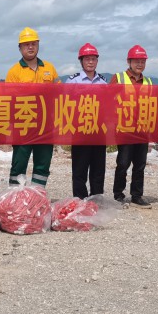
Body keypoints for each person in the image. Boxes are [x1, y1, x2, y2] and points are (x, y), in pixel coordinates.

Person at [5, 27, 60, 187]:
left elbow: (59, 93)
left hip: (46, 124)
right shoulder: (14, 72)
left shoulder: (49, 68)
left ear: (38, 45)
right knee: (19, 162)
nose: (30, 47)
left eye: (33, 44)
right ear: (20, 48)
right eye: (26, 44)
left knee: (43, 162)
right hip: (23, 124)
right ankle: (15, 196)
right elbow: (9, 100)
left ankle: (38, 194)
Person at [110, 45, 154, 208]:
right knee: (123, 163)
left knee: (140, 165)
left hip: (142, 129)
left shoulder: (148, 82)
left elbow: (153, 105)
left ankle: (137, 195)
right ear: (129, 61)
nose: (140, 64)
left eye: (142, 61)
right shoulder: (118, 78)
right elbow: (108, 100)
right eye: (137, 61)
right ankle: (118, 194)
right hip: (124, 129)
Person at [65, 43, 108, 199]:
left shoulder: (103, 82)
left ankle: (96, 197)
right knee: (80, 167)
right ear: (81, 61)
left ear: (97, 61)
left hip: (98, 130)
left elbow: (108, 105)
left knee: (98, 167)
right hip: (80, 130)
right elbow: (65, 104)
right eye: (87, 59)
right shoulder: (72, 81)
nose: (90, 62)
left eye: (93, 59)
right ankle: (80, 199)